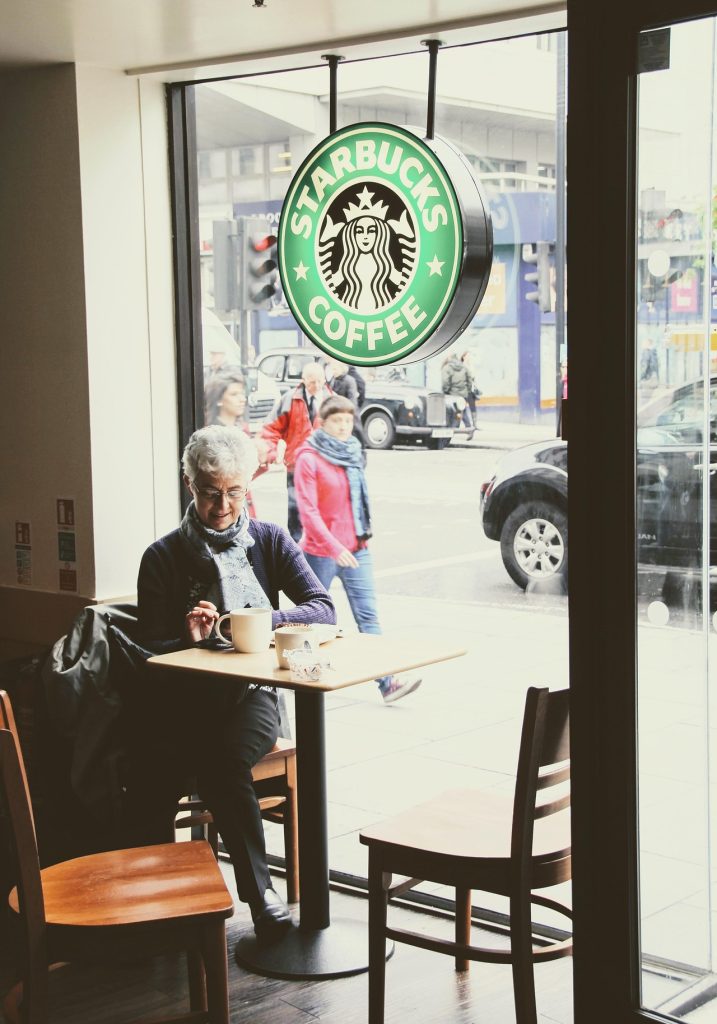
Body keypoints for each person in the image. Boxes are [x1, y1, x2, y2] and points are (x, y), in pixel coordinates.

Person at [128, 424, 336, 940]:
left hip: (252, 696)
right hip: (182, 702)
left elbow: (323, 607)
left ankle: (256, 894)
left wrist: (259, 621)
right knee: (152, 767)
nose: (223, 505)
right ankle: (162, 901)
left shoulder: (268, 540)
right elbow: (148, 652)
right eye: (210, 492)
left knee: (219, 761)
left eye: (234, 492)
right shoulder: (162, 557)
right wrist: (188, 636)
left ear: (249, 487)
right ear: (189, 484)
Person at [293, 395, 421, 704]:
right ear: (323, 423)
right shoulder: (308, 458)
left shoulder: (352, 454)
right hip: (320, 552)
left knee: (369, 618)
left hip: (357, 549)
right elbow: (308, 513)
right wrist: (333, 547)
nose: (344, 427)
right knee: (314, 620)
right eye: (337, 420)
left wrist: (357, 538)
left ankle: (387, 684)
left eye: (349, 421)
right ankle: (305, 678)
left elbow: (355, 504)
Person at [260, 362, 331, 541]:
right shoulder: (290, 399)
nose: (317, 386)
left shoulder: (332, 400)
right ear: (303, 380)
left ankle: (318, 546)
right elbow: (271, 428)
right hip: (296, 465)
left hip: (324, 465)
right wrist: (272, 452)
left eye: (320, 381)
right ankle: (294, 548)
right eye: (312, 382)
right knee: (295, 509)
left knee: (322, 508)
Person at [325, 358, 366, 450]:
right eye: (332, 369)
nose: (333, 371)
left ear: (341, 368)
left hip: (349, 413)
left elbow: (352, 400)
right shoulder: (332, 380)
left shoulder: (349, 380)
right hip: (336, 413)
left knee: (355, 434)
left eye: (335, 369)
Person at [441, 350, 475, 436]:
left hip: (452, 395)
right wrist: (467, 391)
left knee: (451, 412)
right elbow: (469, 380)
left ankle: (451, 432)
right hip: (463, 394)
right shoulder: (464, 367)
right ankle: (469, 430)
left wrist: (446, 392)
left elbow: (445, 382)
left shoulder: (447, 368)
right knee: (463, 411)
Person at [461, 350, 481, 426]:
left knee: (473, 407)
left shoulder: (471, 366)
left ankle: (474, 424)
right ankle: (467, 424)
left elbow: (473, 377)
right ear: (464, 357)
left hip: (471, 390)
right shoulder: (462, 366)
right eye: (467, 356)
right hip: (464, 390)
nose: (469, 357)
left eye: (470, 356)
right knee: (462, 407)